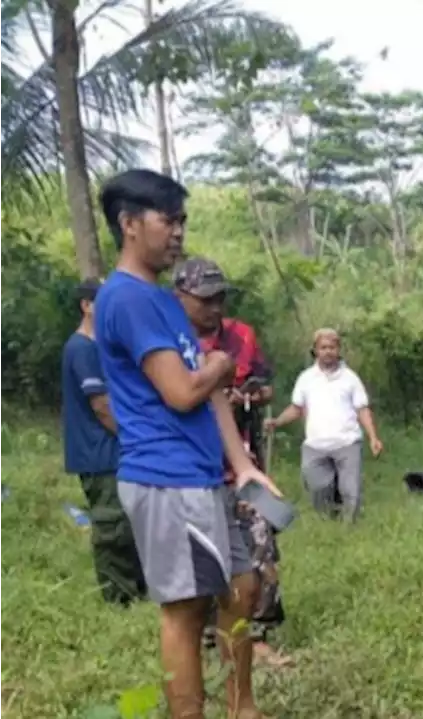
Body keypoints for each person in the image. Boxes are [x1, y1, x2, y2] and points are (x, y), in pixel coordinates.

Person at [93, 168, 281, 719]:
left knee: (242, 587)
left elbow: (210, 393)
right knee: (185, 611)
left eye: (182, 221)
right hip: (166, 478)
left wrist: (243, 464)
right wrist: (223, 363)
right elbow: (183, 391)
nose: (178, 232)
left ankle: (241, 706)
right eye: (167, 220)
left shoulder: (162, 304)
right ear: (130, 225)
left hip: (203, 476)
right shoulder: (125, 299)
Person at [172, 256, 290, 668]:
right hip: (191, 469)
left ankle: (256, 634)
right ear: (180, 296)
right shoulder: (170, 342)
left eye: (220, 298)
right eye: (205, 300)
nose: (214, 308)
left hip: (243, 462)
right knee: (202, 556)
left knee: (262, 543)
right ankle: (207, 632)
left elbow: (265, 386)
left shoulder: (241, 336)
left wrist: (248, 395)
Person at [60, 277, 147, 606]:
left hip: (112, 450)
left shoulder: (99, 347)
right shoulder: (82, 349)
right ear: (87, 306)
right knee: (111, 525)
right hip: (99, 451)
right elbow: (101, 406)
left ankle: (136, 589)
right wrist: (135, 439)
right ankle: (118, 596)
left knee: (129, 522)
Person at [266, 328, 383, 523]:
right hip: (315, 445)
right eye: (323, 347)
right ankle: (329, 522)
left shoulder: (350, 378)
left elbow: (362, 409)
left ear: (339, 350)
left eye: (332, 347)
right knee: (319, 487)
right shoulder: (306, 378)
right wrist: (277, 422)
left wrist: (373, 437)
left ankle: (349, 530)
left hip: (347, 443)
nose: (328, 351)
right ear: (315, 350)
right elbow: (297, 408)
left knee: (350, 491)